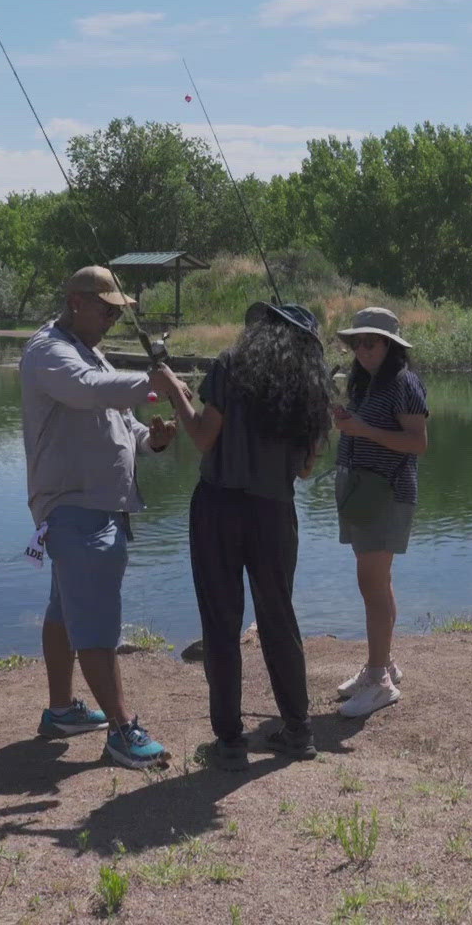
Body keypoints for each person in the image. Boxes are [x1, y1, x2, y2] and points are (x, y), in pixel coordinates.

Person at [153, 302, 332, 770]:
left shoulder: (230, 367)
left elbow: (203, 437)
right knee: (279, 618)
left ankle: (230, 741)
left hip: (219, 507)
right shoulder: (311, 388)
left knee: (221, 622)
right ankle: (299, 730)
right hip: (275, 512)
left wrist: (175, 390)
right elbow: (308, 467)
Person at [19, 265, 181, 769]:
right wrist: (152, 381)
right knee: (96, 624)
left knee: (65, 611)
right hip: (75, 505)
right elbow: (88, 389)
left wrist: (151, 442)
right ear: (76, 301)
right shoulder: (50, 351)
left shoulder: (90, 349)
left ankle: (62, 709)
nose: (113, 316)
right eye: (106, 307)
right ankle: (121, 731)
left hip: (93, 504)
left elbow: (121, 423)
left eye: (118, 309)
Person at [331, 307, 430, 718]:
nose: (362, 349)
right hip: (360, 491)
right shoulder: (365, 383)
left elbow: (418, 443)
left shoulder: (404, 383)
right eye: (357, 342)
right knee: (378, 581)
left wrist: (363, 430)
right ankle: (383, 664)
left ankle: (380, 682)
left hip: (386, 493)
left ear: (389, 345)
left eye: (370, 342)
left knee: (370, 583)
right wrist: (345, 421)